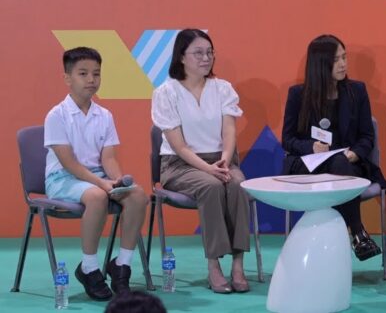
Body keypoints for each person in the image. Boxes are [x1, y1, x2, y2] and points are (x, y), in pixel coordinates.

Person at [151, 29, 251, 294]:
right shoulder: (166, 92)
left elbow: (229, 132)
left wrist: (224, 161)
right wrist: (209, 169)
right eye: (198, 53)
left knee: (238, 185)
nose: (206, 58)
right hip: (180, 164)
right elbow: (179, 146)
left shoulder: (223, 88)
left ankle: (238, 265)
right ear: (181, 57)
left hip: (220, 160)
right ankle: (214, 265)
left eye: (209, 52)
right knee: (211, 185)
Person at [44, 47, 148, 300]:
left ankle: (121, 265)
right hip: (63, 179)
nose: (91, 79)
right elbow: (69, 163)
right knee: (97, 196)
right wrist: (102, 184)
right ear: (67, 78)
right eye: (83, 73)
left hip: (98, 177)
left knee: (137, 195)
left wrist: (117, 182)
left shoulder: (105, 115)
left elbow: (108, 158)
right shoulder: (56, 115)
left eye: (96, 73)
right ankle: (89, 268)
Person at [282, 34, 386, 260]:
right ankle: (357, 232)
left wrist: (354, 154)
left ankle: (332, 247)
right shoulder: (298, 95)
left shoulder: (357, 91)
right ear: (320, 64)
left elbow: (367, 136)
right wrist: (311, 147)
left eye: (344, 57)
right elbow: (288, 139)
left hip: (348, 165)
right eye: (336, 59)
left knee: (339, 162)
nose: (343, 64)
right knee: (336, 164)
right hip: (309, 167)